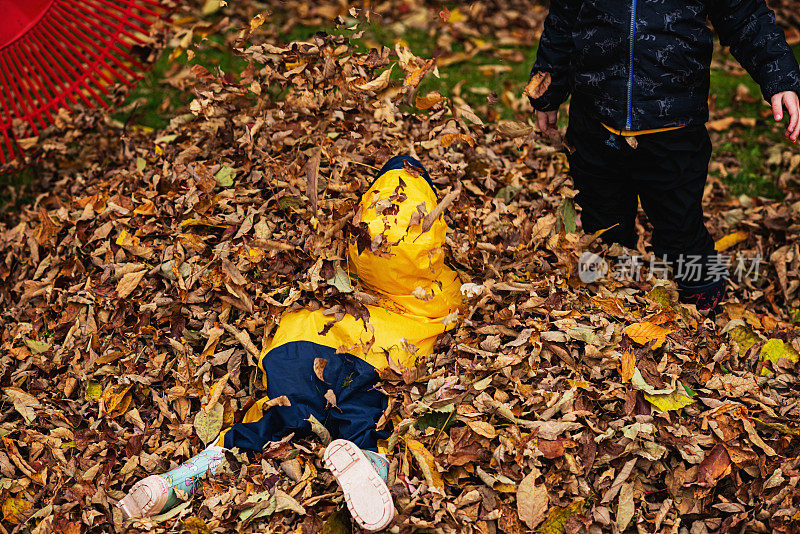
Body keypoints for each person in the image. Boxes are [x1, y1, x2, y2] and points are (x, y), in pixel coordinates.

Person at [116, 156, 462, 531]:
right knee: (364, 414)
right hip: (375, 357)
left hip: (301, 345)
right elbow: (447, 308)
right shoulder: (442, 285)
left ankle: (184, 476)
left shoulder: (351, 253)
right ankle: (369, 463)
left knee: (271, 418)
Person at [529, 1, 800, 312]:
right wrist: (547, 92)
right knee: (601, 214)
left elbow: (744, 16)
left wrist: (780, 78)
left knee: (680, 221)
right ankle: (607, 289)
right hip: (595, 120)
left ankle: (703, 293)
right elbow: (563, 19)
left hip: (674, 126)